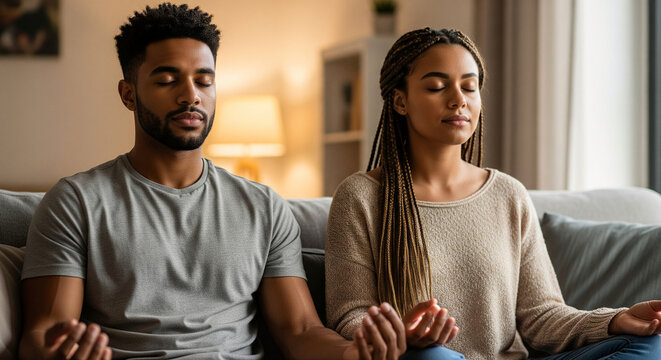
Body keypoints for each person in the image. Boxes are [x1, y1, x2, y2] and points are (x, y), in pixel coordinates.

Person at [18, 3, 407, 359]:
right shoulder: (75, 202)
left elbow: (300, 330)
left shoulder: (264, 206)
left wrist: (351, 354)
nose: (191, 96)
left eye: (204, 81)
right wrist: (57, 354)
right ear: (128, 94)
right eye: (168, 80)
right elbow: (43, 332)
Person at [325, 27, 661, 359]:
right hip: (425, 359)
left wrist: (616, 320)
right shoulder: (360, 197)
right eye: (437, 87)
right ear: (400, 101)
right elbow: (349, 315)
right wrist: (403, 335)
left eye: (469, 87)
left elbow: (542, 317)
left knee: (650, 344)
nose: (459, 100)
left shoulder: (507, 194)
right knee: (432, 358)